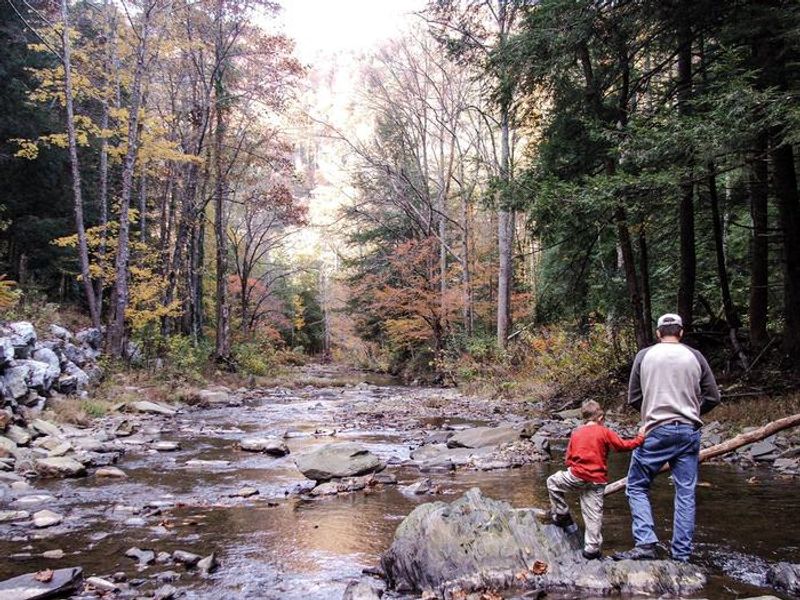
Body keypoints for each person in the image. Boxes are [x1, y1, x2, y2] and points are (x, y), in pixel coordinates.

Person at [612, 313, 720, 563]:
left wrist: (650, 414)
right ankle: (681, 555)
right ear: (681, 333)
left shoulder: (644, 356)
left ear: (658, 333)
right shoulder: (695, 356)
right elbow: (713, 397)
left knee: (636, 486)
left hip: (656, 431)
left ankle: (646, 543)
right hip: (688, 431)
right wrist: (692, 412)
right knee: (685, 493)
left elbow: (634, 398)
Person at [546, 399, 645, 560]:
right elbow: (623, 446)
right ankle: (591, 548)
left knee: (552, 482)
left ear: (584, 418)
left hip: (576, 476)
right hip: (597, 480)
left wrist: (574, 468)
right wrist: (641, 437)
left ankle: (562, 513)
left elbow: (568, 459)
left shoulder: (577, 432)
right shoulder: (605, 431)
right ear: (600, 417)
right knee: (593, 514)